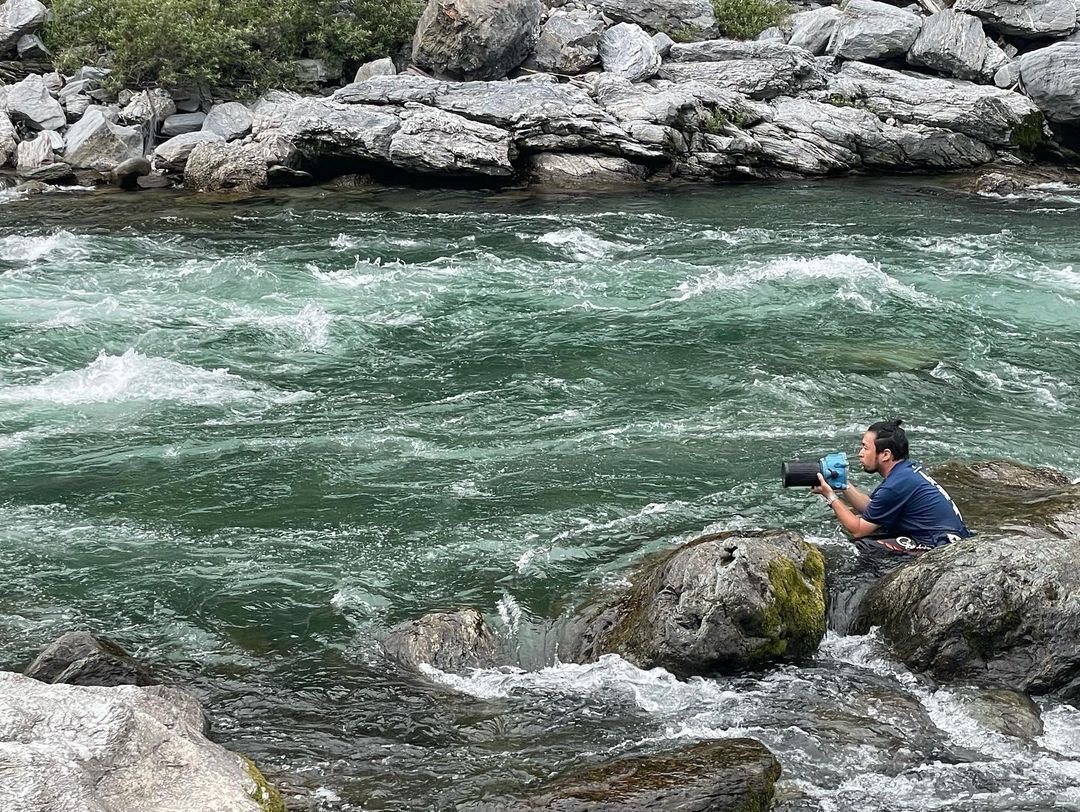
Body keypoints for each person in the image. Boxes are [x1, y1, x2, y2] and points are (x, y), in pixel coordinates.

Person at [812, 418, 971, 556]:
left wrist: (830, 496)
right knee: (876, 528)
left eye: (866, 448)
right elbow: (871, 508)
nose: (860, 453)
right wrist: (842, 484)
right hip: (950, 538)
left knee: (861, 547)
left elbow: (858, 530)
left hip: (940, 545)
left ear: (886, 455)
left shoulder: (896, 485)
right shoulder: (905, 471)